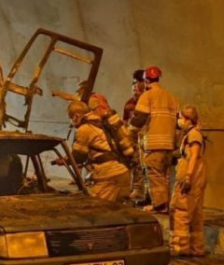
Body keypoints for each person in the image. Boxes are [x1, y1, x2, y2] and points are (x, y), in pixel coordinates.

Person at [54, 101, 131, 203]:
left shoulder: (84, 129)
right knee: (119, 213)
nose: (71, 122)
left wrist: (64, 161)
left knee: (95, 209)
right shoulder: (101, 123)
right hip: (124, 173)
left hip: (108, 177)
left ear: (76, 116)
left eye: (70, 118)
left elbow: (78, 157)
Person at [128, 66, 179, 213]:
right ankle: (166, 204)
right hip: (169, 144)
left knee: (154, 175)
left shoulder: (147, 96)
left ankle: (159, 206)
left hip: (153, 143)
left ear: (145, 80)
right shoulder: (171, 97)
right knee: (164, 176)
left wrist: (129, 131)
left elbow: (140, 118)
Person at [170, 105, 207, 256]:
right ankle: (196, 248)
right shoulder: (193, 133)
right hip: (197, 175)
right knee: (196, 214)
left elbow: (193, 156)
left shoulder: (193, 135)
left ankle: (180, 247)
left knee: (181, 211)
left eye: (180, 117)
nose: (179, 121)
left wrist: (187, 176)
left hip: (191, 176)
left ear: (187, 119)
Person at [124, 70, 148, 203]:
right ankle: (136, 189)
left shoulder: (148, 102)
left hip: (146, 139)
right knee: (135, 164)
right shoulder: (129, 104)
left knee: (145, 167)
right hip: (133, 140)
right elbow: (125, 122)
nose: (135, 87)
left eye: (138, 83)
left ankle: (145, 193)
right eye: (133, 83)